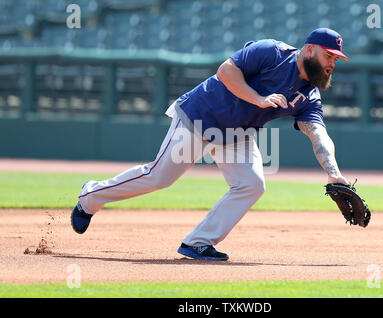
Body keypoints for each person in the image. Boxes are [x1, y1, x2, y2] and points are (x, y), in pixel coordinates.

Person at [71, 28, 351, 261]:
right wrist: (258, 99)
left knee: (251, 184)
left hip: (238, 133)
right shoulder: (272, 52)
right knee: (158, 177)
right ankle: (90, 197)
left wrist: (333, 172)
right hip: (201, 116)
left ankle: (197, 243)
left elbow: (317, 133)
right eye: (329, 55)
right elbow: (226, 71)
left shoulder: (310, 95)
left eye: (336, 60)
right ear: (310, 49)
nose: (331, 64)